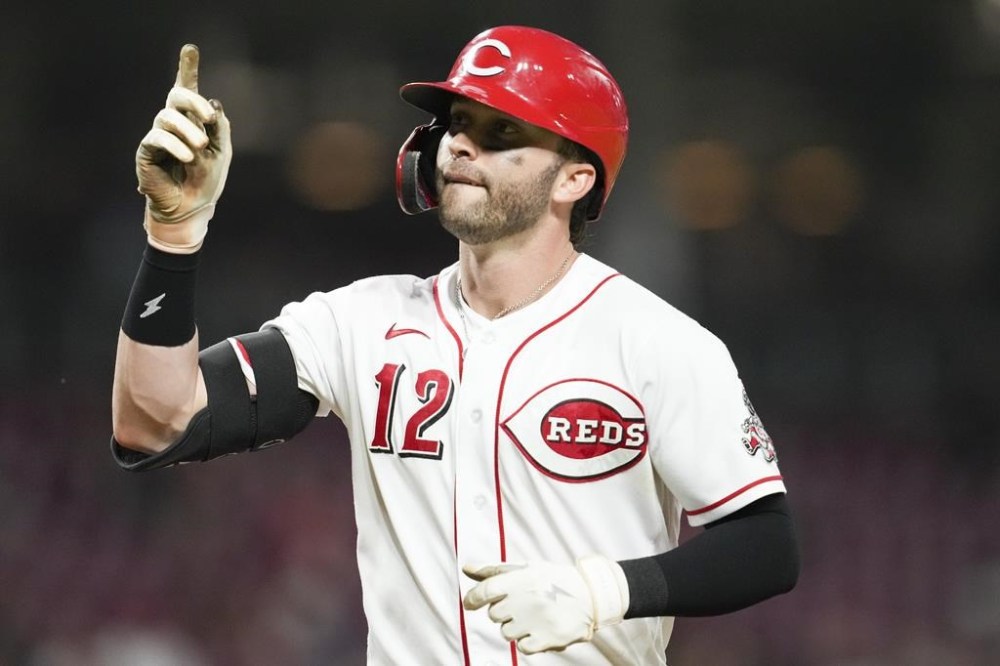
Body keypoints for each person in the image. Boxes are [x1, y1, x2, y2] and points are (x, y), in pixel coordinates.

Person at [112, 26, 799, 665]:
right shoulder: (362, 321)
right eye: (459, 123)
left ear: (574, 178)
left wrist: (604, 592)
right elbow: (156, 420)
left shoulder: (656, 341)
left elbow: (765, 545)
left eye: (503, 132)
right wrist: (173, 236)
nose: (463, 146)